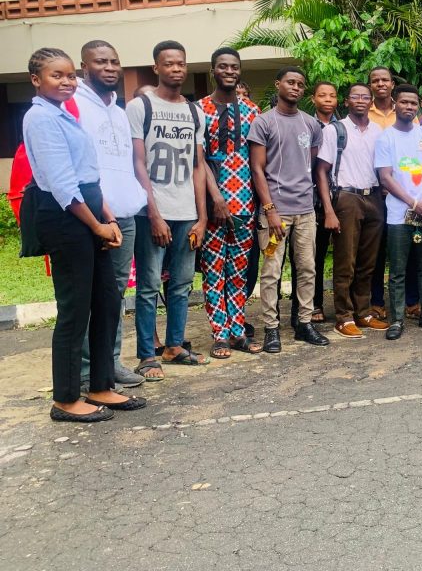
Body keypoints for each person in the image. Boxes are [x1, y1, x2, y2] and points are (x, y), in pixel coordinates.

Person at [25, 48, 146, 422]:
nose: (66, 82)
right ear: (36, 80)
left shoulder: (64, 114)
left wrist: (107, 216)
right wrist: (96, 226)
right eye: (56, 76)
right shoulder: (40, 118)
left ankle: (101, 386)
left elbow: (89, 175)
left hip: (91, 214)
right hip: (66, 220)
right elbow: (63, 185)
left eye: (69, 76)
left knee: (106, 301)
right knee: (75, 310)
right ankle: (65, 399)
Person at [128, 41, 209, 381]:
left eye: (181, 63)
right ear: (156, 68)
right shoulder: (140, 107)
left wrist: (202, 218)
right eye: (169, 63)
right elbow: (138, 163)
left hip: (187, 213)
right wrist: (154, 214)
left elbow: (198, 166)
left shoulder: (194, 112)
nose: (176, 69)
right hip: (152, 214)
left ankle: (175, 345)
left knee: (181, 284)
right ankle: (148, 355)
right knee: (148, 286)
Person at [74, 40, 148, 388]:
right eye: (100, 62)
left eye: (114, 62)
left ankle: (110, 361)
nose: (109, 68)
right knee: (90, 294)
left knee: (114, 295)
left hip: (125, 216)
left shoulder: (119, 112)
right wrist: (97, 216)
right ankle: (86, 371)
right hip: (91, 216)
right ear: (84, 67)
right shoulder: (74, 106)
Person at [248, 66, 330, 352]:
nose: (295, 87)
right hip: (275, 214)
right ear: (278, 85)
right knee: (272, 271)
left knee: (307, 268)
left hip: (305, 211)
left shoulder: (311, 124)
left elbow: (310, 164)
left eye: (300, 84)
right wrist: (270, 209)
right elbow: (257, 169)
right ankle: (271, 328)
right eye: (290, 82)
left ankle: (304, 323)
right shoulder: (264, 122)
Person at [198, 47, 263, 359]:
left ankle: (237, 330)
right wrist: (216, 198)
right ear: (213, 70)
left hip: (245, 203)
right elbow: (198, 160)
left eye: (234, 67)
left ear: (240, 71)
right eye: (222, 66)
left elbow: (257, 160)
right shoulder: (199, 110)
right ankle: (219, 334)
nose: (229, 71)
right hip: (212, 204)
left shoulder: (252, 110)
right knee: (213, 270)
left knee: (238, 271)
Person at [316, 83, 388, 339]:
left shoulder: (378, 131)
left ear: (371, 102)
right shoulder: (336, 130)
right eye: (355, 96)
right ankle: (344, 317)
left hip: (374, 197)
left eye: (365, 97)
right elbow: (321, 171)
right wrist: (329, 210)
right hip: (347, 198)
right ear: (346, 101)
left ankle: (364, 312)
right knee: (346, 261)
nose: (360, 100)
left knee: (369, 262)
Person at [375, 84, 422, 340]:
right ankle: (397, 320)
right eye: (404, 102)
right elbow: (385, 177)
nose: (409, 106)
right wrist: (412, 203)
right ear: (395, 103)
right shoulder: (386, 138)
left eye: (413, 103)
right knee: (398, 270)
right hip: (398, 215)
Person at [289, 80, 340, 326]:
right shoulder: (306, 125)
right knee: (310, 257)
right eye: (322, 95)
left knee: (342, 256)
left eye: (332, 95)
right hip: (310, 201)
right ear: (313, 99)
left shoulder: (343, 127)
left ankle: (345, 305)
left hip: (339, 198)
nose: (327, 99)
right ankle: (312, 304)